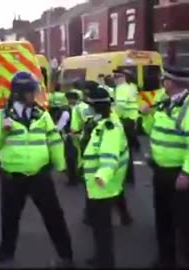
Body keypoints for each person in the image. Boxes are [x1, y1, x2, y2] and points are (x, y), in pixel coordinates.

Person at [0, 71, 74, 267]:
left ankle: (66, 256)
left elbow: (54, 140)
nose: (35, 95)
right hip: (12, 177)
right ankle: (5, 253)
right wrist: (3, 131)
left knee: (54, 216)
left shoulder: (41, 114)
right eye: (31, 92)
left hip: (39, 176)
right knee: (9, 218)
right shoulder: (0, 116)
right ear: (19, 93)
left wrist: (61, 165)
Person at [140, 67, 189, 268]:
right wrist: (146, 116)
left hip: (179, 174)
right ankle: (166, 261)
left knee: (188, 226)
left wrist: (186, 172)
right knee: (164, 220)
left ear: (171, 82)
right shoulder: (164, 104)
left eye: (165, 79)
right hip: (161, 172)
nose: (162, 82)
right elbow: (151, 130)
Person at [82, 84, 129, 268]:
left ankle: (105, 262)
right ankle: (100, 257)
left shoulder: (109, 127)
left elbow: (109, 156)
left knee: (103, 229)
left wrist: (102, 176)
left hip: (102, 185)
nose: (88, 107)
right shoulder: (102, 121)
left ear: (97, 106)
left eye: (90, 104)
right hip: (96, 185)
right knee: (98, 226)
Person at [113, 68, 139, 185]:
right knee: (127, 149)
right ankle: (129, 177)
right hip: (132, 119)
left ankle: (126, 177)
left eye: (115, 78)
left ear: (121, 78)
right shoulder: (131, 87)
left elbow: (120, 106)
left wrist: (114, 118)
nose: (114, 80)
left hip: (125, 120)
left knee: (123, 149)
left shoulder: (121, 88)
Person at [56, 87, 80, 186]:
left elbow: (62, 124)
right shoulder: (82, 108)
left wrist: (56, 130)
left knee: (70, 158)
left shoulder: (66, 110)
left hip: (70, 136)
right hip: (81, 136)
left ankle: (72, 179)